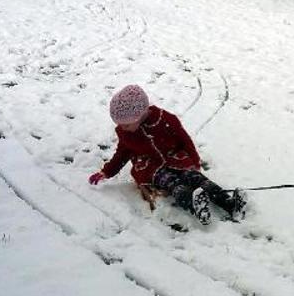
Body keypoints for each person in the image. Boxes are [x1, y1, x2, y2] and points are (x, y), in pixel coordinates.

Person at [88, 84, 242, 225]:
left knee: (195, 178)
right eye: (119, 124)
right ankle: (195, 205)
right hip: (151, 166)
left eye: (126, 124)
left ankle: (228, 203)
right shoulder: (126, 133)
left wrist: (194, 162)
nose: (122, 127)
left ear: (140, 114)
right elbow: (122, 154)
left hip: (174, 157)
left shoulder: (165, 120)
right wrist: (106, 172)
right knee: (172, 183)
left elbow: (185, 140)